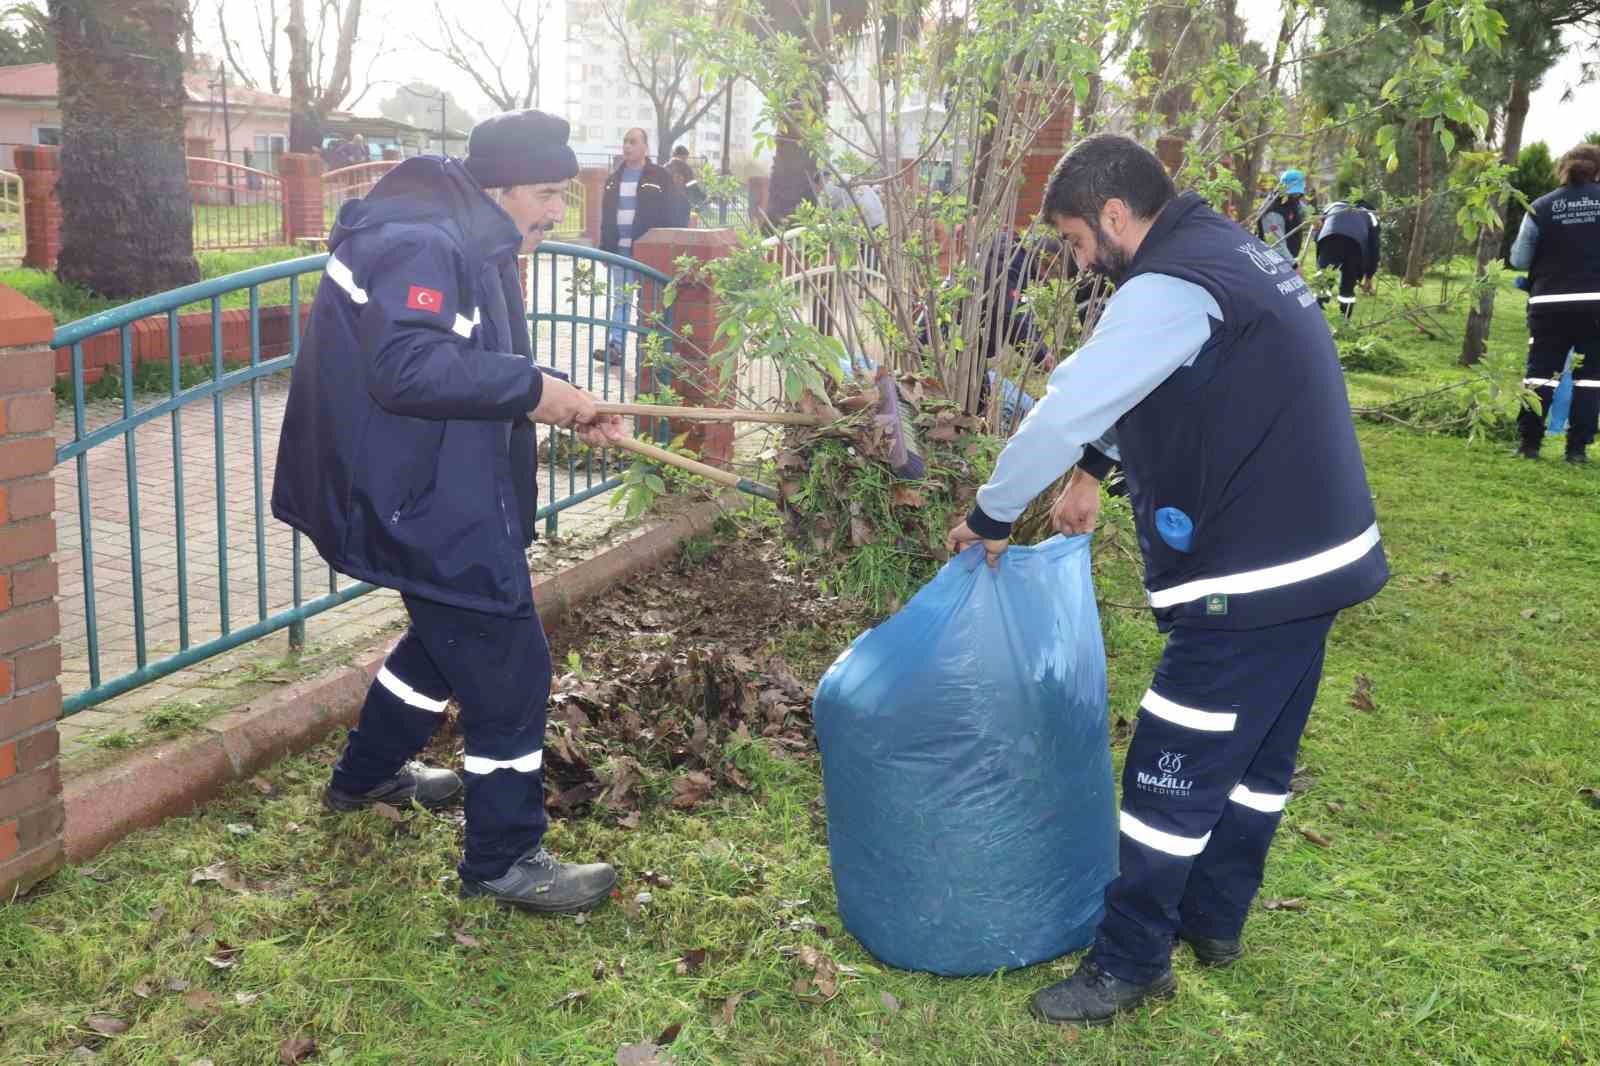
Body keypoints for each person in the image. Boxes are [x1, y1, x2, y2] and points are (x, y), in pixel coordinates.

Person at [946, 135, 1388, 1023]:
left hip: (1255, 570)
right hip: (1320, 554)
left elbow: (1071, 399)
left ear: (1114, 217)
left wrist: (992, 514)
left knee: (1168, 768)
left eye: (1076, 241)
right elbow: (1174, 383)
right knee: (1260, 755)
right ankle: (1215, 917)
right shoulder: (1229, 250)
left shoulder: (1168, 283)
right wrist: (1092, 476)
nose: (1079, 261)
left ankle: (1133, 958)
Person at [272, 109, 627, 914]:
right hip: (418, 496)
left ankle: (366, 780)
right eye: (547, 192)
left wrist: (563, 401)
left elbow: (475, 360)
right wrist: (536, 393)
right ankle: (504, 861)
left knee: (445, 639)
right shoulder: (421, 242)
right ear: (501, 186)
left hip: (430, 484)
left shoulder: (473, 232)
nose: (556, 211)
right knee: (510, 667)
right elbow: (408, 366)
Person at [1508, 142, 1600, 464]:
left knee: (1540, 374)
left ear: (1563, 169)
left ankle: (1528, 445)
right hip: (1596, 305)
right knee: (1590, 378)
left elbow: (1519, 258)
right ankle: (1576, 451)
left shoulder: (1540, 206)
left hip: (1549, 303)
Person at [594, 127, 673, 366]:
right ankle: (615, 348)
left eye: (633, 142)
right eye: (625, 141)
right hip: (620, 252)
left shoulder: (659, 177)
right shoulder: (613, 179)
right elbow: (606, 217)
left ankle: (653, 353)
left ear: (645, 147)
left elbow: (674, 211)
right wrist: (605, 249)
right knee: (621, 299)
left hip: (648, 252)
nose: (627, 146)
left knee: (651, 302)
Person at [1314, 197, 1381, 320]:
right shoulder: (1371, 216)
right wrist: (1369, 276)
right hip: (1356, 247)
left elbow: (1317, 232)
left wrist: (1320, 261)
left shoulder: (1331, 207)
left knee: (1323, 283)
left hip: (1329, 240)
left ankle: (1316, 321)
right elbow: (1374, 249)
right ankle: (1344, 323)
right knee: (1347, 288)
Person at [1255, 169, 1309, 266]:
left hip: (1288, 259)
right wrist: (1293, 265)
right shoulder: (1273, 212)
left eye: (1298, 193)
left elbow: (1303, 210)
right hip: (1272, 263)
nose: (1296, 195)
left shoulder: (1292, 202)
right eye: (1293, 193)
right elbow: (1276, 245)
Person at [666, 144, 706, 225]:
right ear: (681, 156)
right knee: (681, 232)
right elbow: (692, 187)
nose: (685, 161)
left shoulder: (665, 167)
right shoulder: (685, 167)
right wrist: (703, 197)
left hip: (667, 205)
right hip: (681, 204)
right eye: (685, 158)